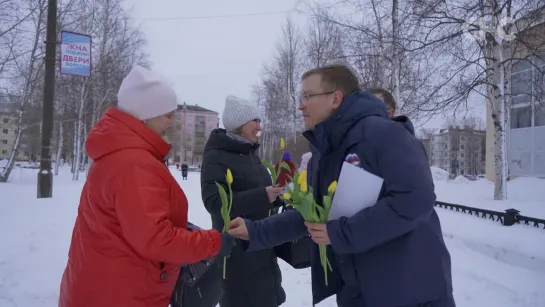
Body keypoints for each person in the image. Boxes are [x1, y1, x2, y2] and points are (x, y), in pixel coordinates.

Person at [229, 64, 454, 307]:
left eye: (308, 96)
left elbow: (414, 200)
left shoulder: (386, 135)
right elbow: (312, 214)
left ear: (335, 98)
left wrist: (339, 233)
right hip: (357, 289)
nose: (300, 105)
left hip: (409, 289)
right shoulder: (324, 153)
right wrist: (255, 231)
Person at [58, 65, 236, 307]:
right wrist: (212, 243)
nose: (171, 123)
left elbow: (134, 224)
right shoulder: (134, 163)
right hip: (121, 293)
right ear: (145, 116)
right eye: (168, 115)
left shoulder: (121, 154)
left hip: (108, 285)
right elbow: (155, 239)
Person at [200, 95, 287, 307]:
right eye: (254, 120)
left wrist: (278, 196)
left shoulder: (250, 153)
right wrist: (263, 195)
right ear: (239, 124)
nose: (259, 126)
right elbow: (215, 202)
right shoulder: (216, 156)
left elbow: (261, 193)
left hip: (262, 248)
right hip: (237, 254)